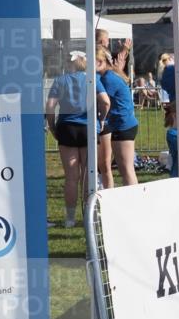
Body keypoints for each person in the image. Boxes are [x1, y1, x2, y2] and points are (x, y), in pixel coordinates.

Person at [45, 52, 110, 226]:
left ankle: (70, 219)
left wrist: (52, 127)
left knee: (71, 177)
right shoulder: (93, 78)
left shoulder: (60, 80)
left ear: (70, 63)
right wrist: (101, 120)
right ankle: (90, 217)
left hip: (67, 128)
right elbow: (105, 101)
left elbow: (50, 107)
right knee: (89, 174)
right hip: (88, 127)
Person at [96, 46, 139, 186]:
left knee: (126, 169)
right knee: (124, 168)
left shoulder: (108, 79)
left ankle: (135, 200)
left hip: (123, 125)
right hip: (122, 124)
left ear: (101, 61)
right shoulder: (110, 75)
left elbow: (103, 102)